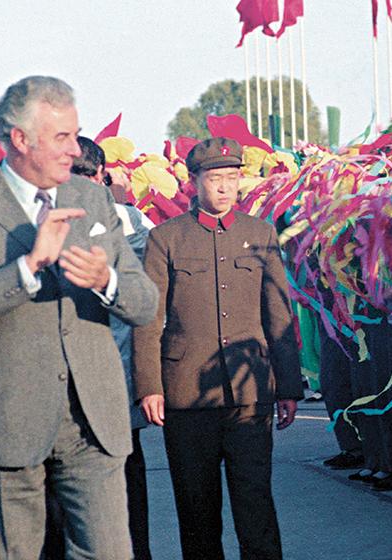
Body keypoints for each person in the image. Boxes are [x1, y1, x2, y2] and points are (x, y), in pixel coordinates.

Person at [0, 75, 158, 559]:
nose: (74, 149)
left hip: (92, 420)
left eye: (75, 134)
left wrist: (106, 280)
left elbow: (144, 302)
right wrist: (27, 268)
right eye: (61, 137)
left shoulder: (93, 200)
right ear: (19, 139)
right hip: (4, 422)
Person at [133, 137, 303, 560]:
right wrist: (149, 385)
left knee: (256, 507)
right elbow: (149, 319)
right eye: (215, 179)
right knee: (197, 512)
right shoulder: (165, 238)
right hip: (187, 395)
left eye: (232, 178)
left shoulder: (260, 234)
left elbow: (278, 315)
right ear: (194, 182)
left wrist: (288, 386)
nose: (225, 188)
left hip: (249, 395)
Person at [70, 135, 154, 560]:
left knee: (124, 488)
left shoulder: (132, 223)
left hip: (115, 377)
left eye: (85, 175)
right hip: (73, 383)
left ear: (101, 175)